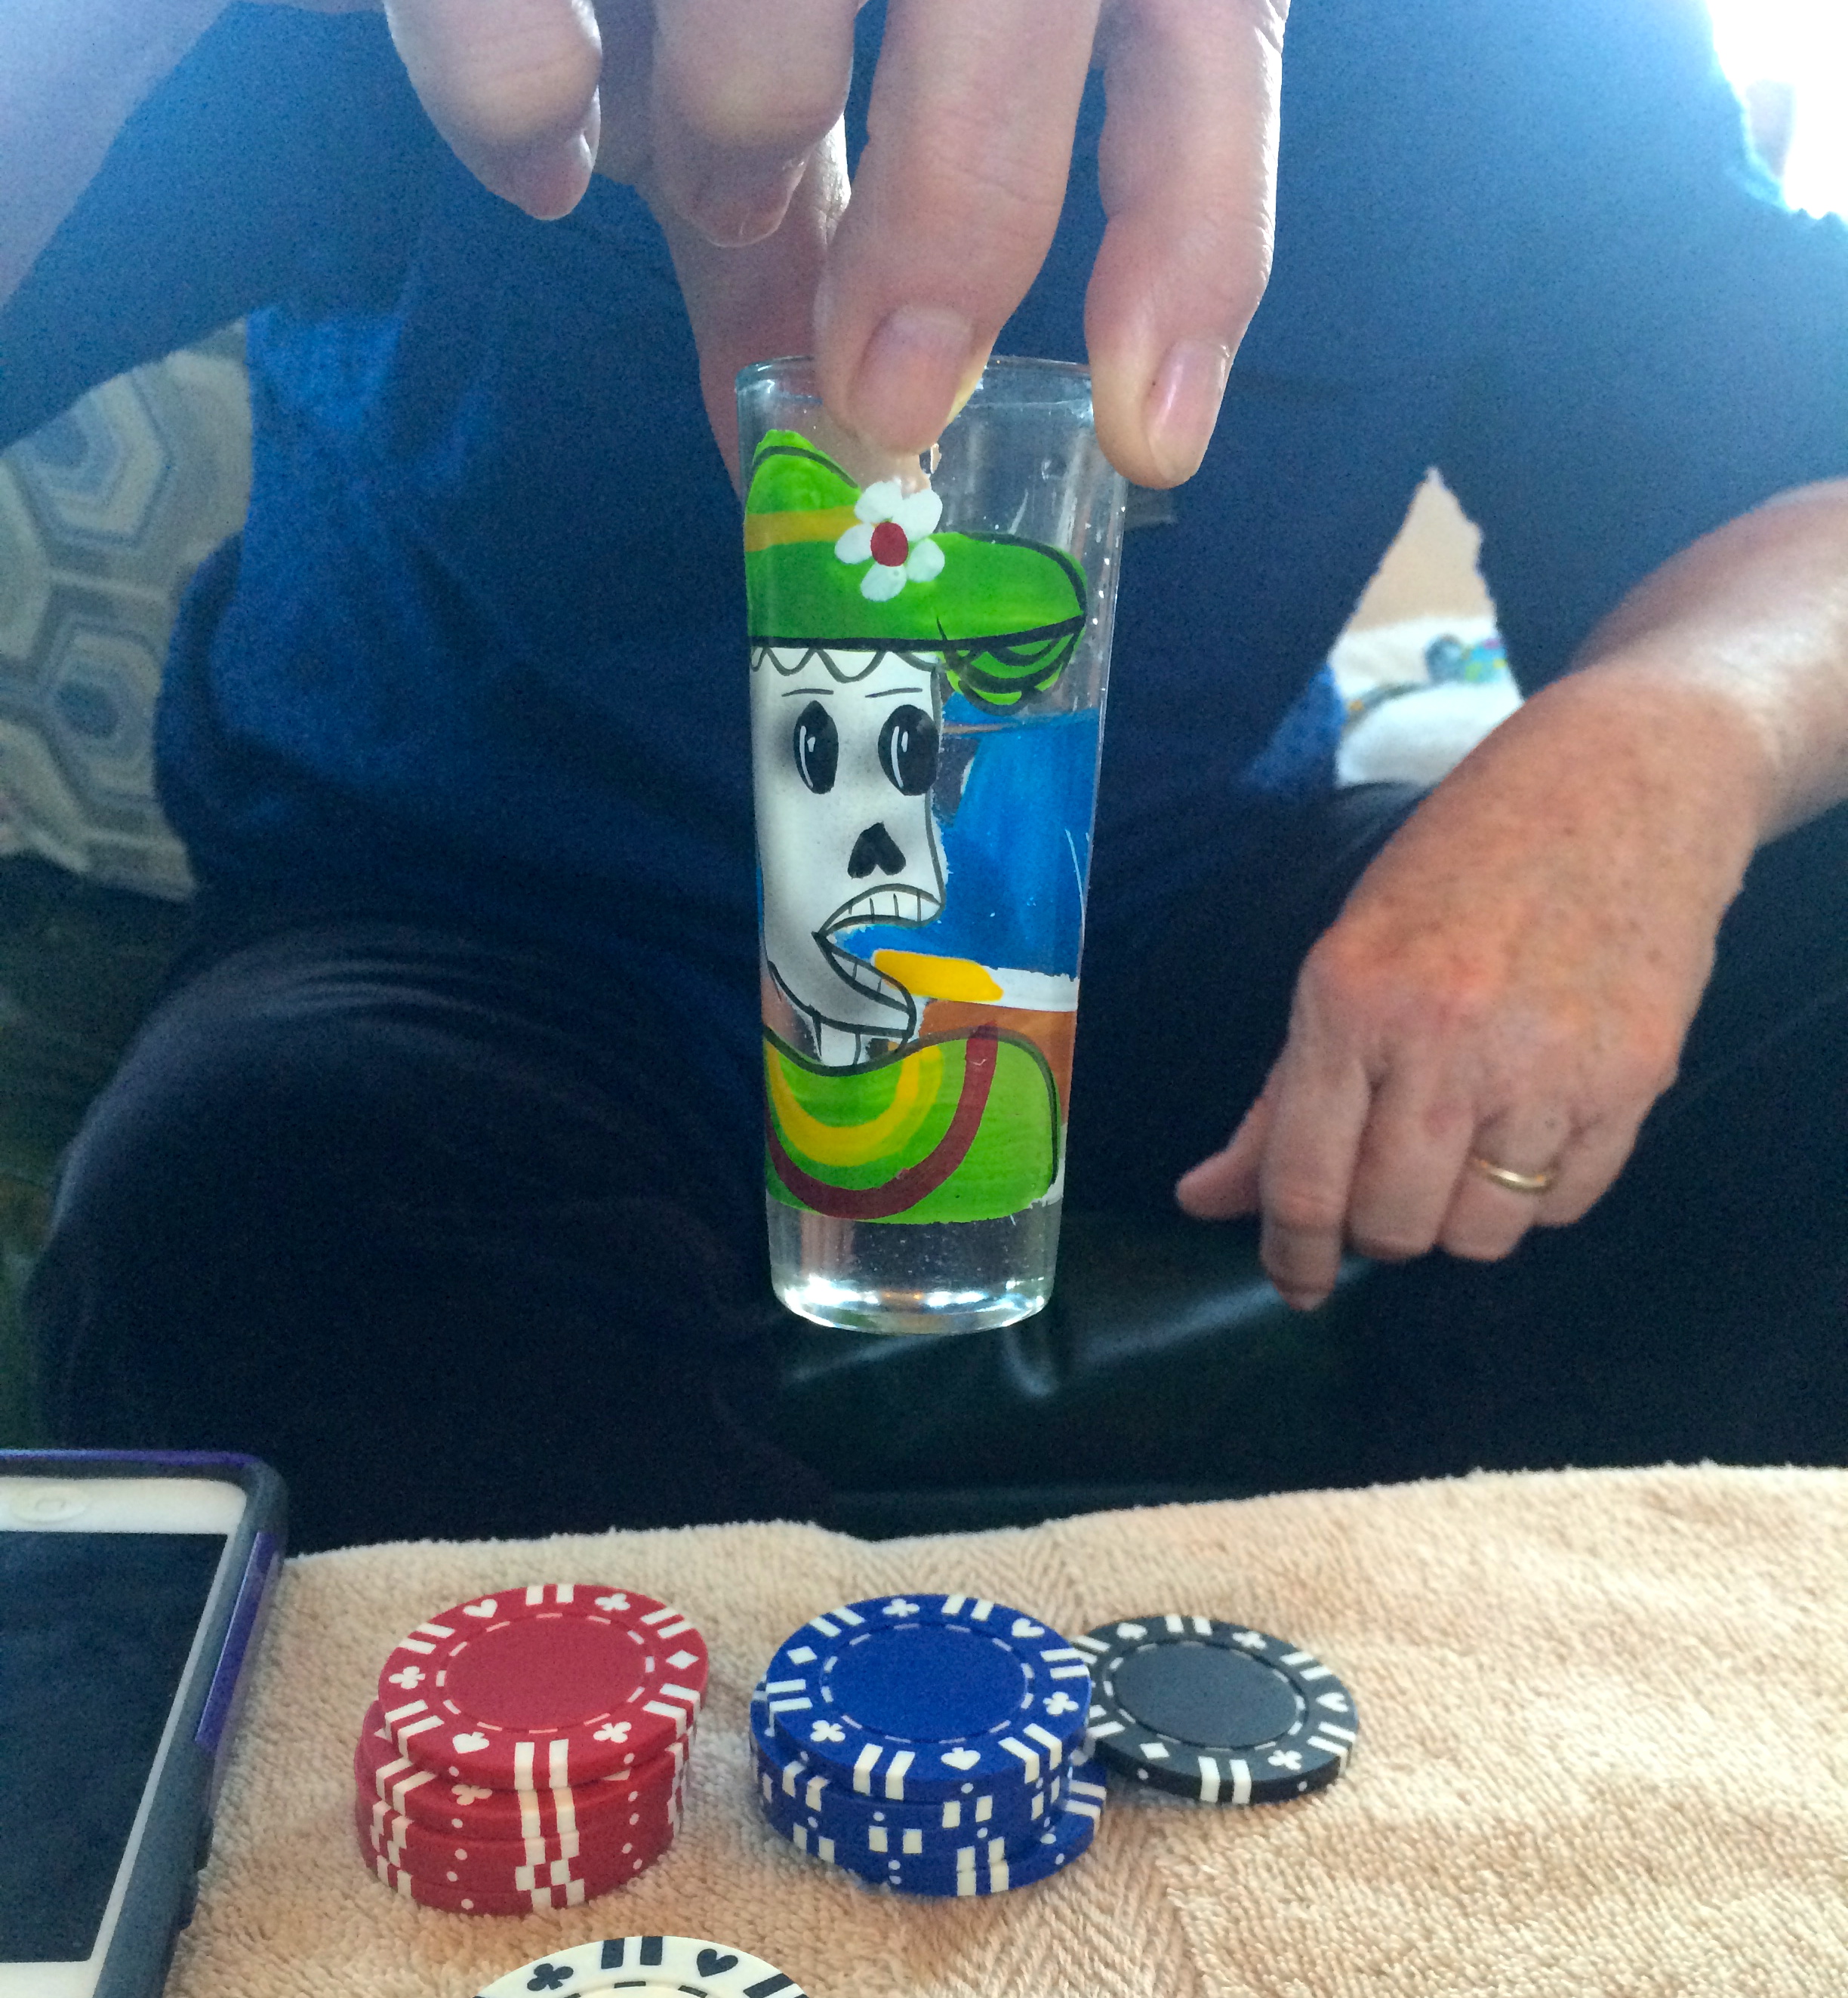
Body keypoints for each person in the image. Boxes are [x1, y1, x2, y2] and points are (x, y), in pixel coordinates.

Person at [3, 0, 1845, 1550]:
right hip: (471, 934)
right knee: (250, 1199)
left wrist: (1660, 743)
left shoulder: (1535, 44)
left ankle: (1552, 1763)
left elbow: (1797, 493)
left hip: (1152, 904)